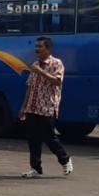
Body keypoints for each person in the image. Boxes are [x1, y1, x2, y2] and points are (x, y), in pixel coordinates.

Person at [19, 36, 73, 178]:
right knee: (33, 139)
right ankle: (35, 168)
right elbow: (29, 87)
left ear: (48, 49)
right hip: (32, 106)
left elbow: (57, 81)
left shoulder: (56, 63)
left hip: (47, 106)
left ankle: (65, 160)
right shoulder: (35, 64)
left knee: (49, 137)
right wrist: (23, 107)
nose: (37, 49)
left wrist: (41, 72)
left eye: (40, 47)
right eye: (36, 47)